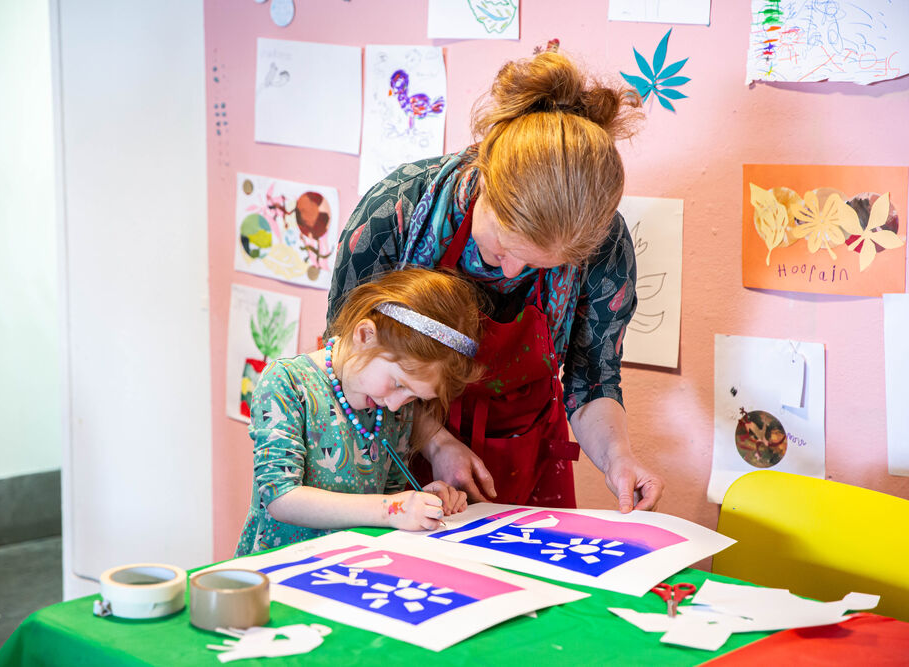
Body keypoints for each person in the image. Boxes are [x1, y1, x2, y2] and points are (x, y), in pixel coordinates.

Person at [327, 49, 665, 513]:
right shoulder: (395, 212)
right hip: (393, 436)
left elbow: (592, 379)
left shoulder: (603, 243)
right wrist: (435, 441)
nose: (510, 272)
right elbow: (346, 357)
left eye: (539, 265)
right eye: (503, 248)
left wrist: (617, 458)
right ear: (485, 179)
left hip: (524, 451)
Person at [235, 268, 485, 556]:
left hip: (350, 566)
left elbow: (386, 499)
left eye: (414, 396)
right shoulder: (287, 383)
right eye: (398, 383)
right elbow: (281, 498)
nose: (396, 404)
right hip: (280, 568)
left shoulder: (393, 410)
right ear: (365, 335)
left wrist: (419, 502)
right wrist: (393, 509)